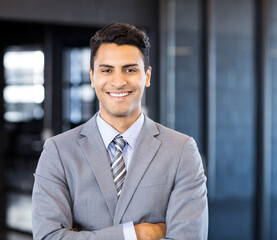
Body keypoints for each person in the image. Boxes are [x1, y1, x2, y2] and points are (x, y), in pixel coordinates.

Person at [31, 23, 208, 240]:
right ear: (92, 77)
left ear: (148, 76)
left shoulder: (182, 151)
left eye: (130, 69)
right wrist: (134, 234)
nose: (118, 82)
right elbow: (48, 237)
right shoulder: (58, 151)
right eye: (106, 70)